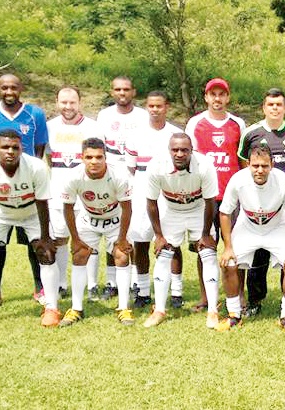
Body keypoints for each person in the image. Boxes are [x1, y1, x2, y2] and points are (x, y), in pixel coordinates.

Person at [0, 130, 59, 328]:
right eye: (5, 147)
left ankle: (51, 308)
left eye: (15, 147)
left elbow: (42, 204)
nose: (10, 151)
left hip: (31, 211)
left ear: (21, 149)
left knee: (46, 252)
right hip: (0, 211)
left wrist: (45, 237)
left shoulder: (36, 167)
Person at [0, 74, 49, 308]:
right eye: (4, 87)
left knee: (34, 242)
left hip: (28, 185)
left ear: (21, 88)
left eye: (13, 87)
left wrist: (28, 176)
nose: (9, 91)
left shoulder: (35, 114)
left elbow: (39, 146)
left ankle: (40, 287)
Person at [237, 88, 285, 316]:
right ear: (264, 107)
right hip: (259, 203)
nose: (275, 108)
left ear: (284, 107)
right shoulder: (251, 133)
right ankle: (255, 300)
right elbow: (244, 164)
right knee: (258, 254)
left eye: (279, 104)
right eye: (271, 104)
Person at [216, 143, 285, 332]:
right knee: (229, 264)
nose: (260, 170)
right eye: (255, 166)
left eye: (265, 166)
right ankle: (234, 315)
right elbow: (224, 213)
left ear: (272, 164)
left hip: (276, 228)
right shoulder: (238, 180)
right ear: (248, 164)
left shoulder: (283, 181)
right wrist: (228, 247)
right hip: (247, 227)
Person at [143, 133, 219, 328]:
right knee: (163, 254)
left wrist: (204, 234)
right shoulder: (156, 166)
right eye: (175, 150)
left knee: (208, 254)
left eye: (184, 150)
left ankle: (212, 311)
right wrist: (159, 236)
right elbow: (151, 203)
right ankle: (159, 310)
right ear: (169, 151)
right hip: (171, 209)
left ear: (191, 151)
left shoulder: (205, 165)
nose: (179, 154)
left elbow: (210, 202)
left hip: (198, 209)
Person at [186, 78, 246, 313]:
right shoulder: (195, 123)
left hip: (232, 197)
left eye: (222, 94)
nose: (217, 99)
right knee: (205, 246)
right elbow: (190, 159)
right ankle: (205, 297)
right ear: (206, 97)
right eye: (213, 94)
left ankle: (239, 293)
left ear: (228, 97)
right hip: (205, 198)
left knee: (238, 246)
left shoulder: (237, 123)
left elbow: (242, 161)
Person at [58, 138, 133, 326]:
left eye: (99, 157)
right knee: (79, 255)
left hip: (115, 220)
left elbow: (127, 208)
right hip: (88, 219)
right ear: (82, 158)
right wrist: (75, 239)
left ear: (105, 157)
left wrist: (122, 239)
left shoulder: (119, 175)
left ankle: (123, 308)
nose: (94, 161)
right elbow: (68, 208)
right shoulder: (73, 176)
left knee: (122, 256)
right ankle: (76, 308)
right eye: (89, 157)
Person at [125, 91, 183, 309]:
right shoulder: (136, 135)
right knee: (141, 241)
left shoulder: (176, 133)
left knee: (172, 241)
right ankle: (142, 290)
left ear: (166, 107)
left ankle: (176, 291)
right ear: (146, 107)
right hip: (142, 189)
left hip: (169, 190)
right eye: (151, 106)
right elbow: (131, 166)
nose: (155, 110)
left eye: (159, 106)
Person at [46, 86, 103, 300]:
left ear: (79, 103)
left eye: (72, 102)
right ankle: (61, 284)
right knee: (60, 238)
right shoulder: (49, 127)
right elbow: (49, 159)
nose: (68, 106)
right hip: (58, 193)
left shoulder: (93, 127)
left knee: (88, 239)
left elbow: (98, 160)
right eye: (63, 102)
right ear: (57, 102)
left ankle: (92, 286)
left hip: (87, 194)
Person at [95, 76, 149, 300]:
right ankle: (111, 281)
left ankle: (136, 280)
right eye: (117, 89)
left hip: (134, 175)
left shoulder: (142, 116)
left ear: (133, 92)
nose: (122, 93)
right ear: (112, 92)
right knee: (112, 227)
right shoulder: (104, 116)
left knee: (132, 228)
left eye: (126, 89)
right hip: (110, 173)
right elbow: (99, 146)